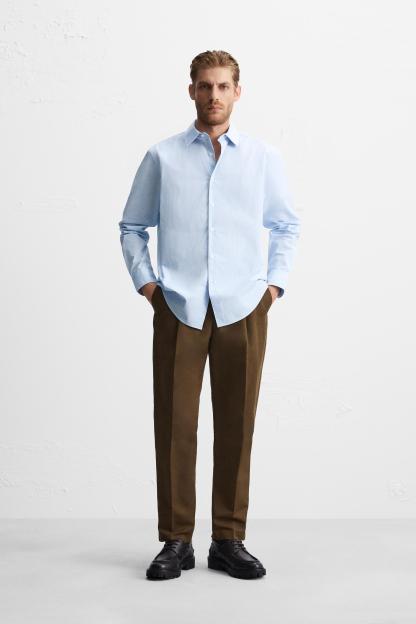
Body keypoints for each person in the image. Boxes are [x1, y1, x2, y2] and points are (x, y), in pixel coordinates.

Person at [118, 50, 301, 581]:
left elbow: (286, 225)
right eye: (204, 86)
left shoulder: (262, 157)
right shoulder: (162, 157)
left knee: (237, 425)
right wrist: (149, 286)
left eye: (223, 86)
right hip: (179, 306)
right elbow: (132, 226)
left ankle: (228, 539)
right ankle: (176, 541)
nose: (213, 95)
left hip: (244, 306)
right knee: (175, 423)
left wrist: (272, 288)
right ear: (191, 90)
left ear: (237, 92)